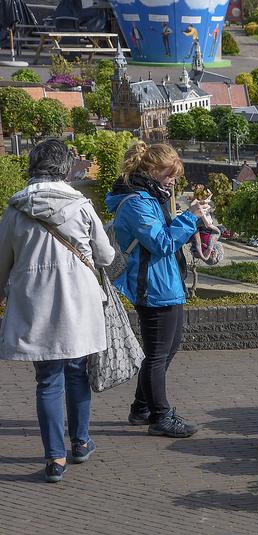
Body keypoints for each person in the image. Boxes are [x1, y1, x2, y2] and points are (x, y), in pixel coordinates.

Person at [0, 139, 117, 483]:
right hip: (79, 303)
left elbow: (1, 265)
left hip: (34, 303)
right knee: (77, 371)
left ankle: (55, 458)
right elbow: (107, 256)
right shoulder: (82, 206)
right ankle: (80, 442)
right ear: (65, 168)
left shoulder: (15, 210)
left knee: (47, 379)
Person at [105, 143, 210, 439]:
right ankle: (161, 416)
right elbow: (161, 243)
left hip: (165, 284)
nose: (174, 181)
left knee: (165, 351)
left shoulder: (152, 197)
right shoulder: (138, 203)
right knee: (158, 354)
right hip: (153, 287)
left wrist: (190, 217)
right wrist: (189, 217)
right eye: (170, 174)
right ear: (151, 172)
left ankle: (141, 408)